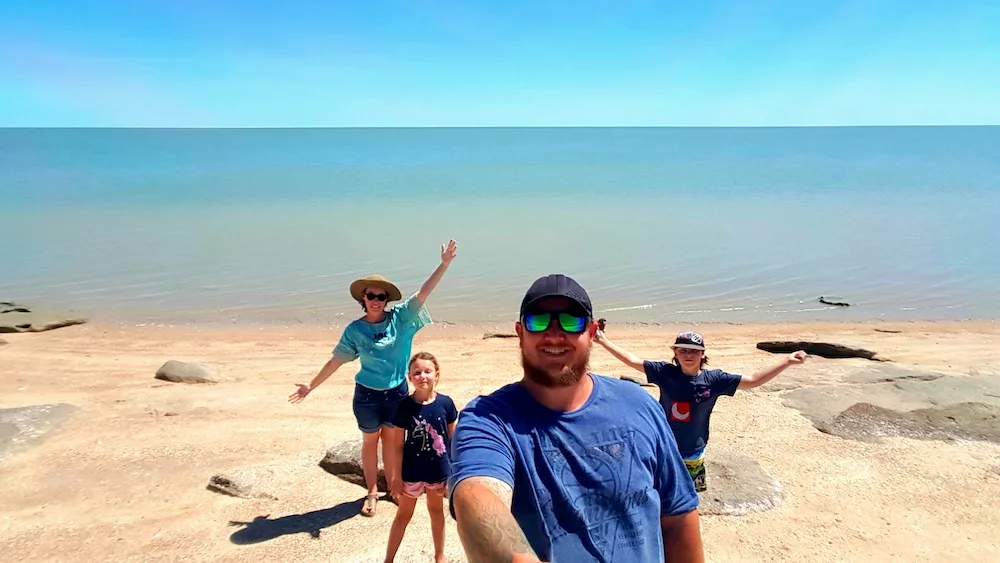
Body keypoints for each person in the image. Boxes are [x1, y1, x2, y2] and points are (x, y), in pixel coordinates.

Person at [447, 274, 705, 563]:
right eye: (538, 320)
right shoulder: (488, 419)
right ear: (520, 333)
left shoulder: (640, 405)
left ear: (593, 333)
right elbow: (476, 497)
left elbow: (679, 517)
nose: (554, 334)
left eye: (571, 321)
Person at [288, 239, 458, 518]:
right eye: (371, 296)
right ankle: (370, 493)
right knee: (370, 442)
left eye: (381, 297)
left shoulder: (400, 319)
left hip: (397, 394)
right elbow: (336, 361)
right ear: (362, 299)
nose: (376, 301)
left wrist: (444, 264)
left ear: (386, 300)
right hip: (367, 395)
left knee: (393, 443)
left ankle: (393, 489)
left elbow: (423, 293)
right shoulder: (355, 330)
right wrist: (311, 385)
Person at [595, 327, 807, 492]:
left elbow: (752, 381)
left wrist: (786, 361)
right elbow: (632, 360)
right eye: (683, 350)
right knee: (657, 489)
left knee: (689, 495)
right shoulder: (665, 372)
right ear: (675, 353)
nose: (689, 355)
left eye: (694, 351)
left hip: (692, 449)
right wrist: (603, 340)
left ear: (702, 354)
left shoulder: (714, 380)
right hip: (662, 445)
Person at [383, 352, 458, 563]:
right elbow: (396, 445)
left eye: (427, 371)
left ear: (437, 375)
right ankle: (389, 558)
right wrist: (395, 477)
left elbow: (452, 439)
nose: (422, 376)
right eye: (417, 372)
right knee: (403, 516)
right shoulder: (404, 407)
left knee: (436, 511)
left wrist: (453, 473)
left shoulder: (446, 403)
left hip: (438, 472)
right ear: (410, 377)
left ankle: (439, 556)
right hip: (411, 473)